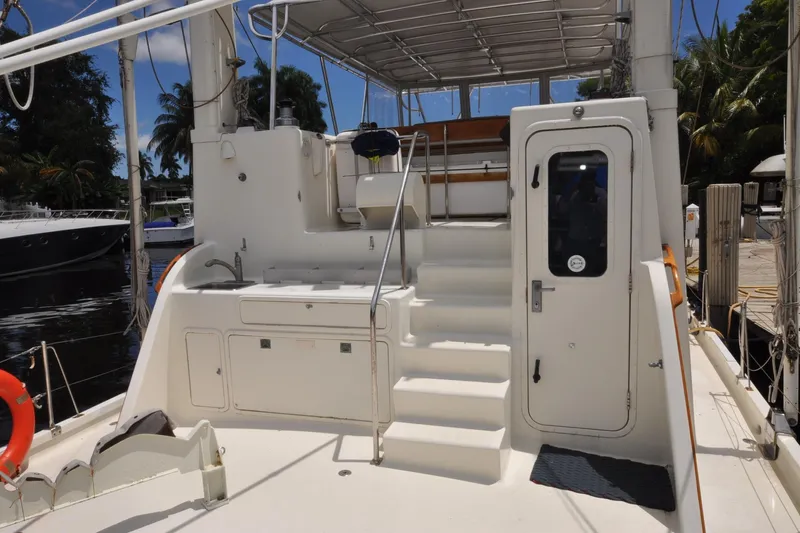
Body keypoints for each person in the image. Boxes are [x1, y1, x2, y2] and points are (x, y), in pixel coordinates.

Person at [565, 171, 607, 275]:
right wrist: (571, 192)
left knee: (594, 270)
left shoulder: (601, 193)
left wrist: (595, 201)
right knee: (573, 270)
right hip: (575, 239)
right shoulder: (574, 194)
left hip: (594, 240)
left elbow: (608, 213)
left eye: (590, 182)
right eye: (585, 181)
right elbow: (562, 209)